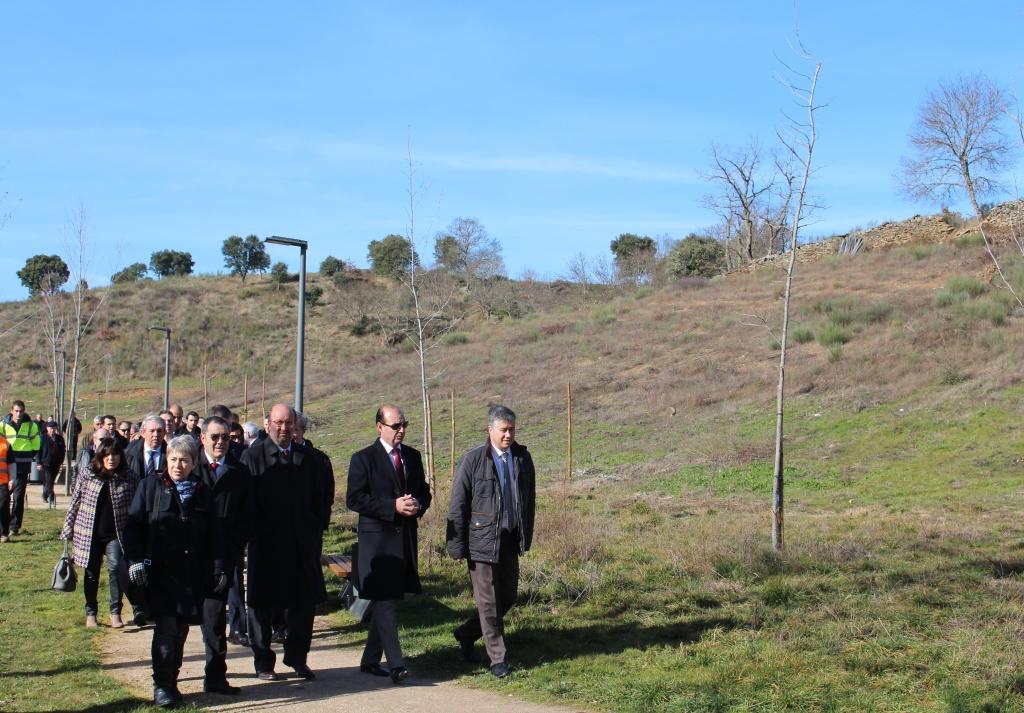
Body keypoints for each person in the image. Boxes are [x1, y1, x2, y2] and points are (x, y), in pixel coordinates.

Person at [124, 435, 225, 708]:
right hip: (160, 573)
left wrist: (217, 568)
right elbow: (133, 527)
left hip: (192, 574)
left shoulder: (203, 492)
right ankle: (162, 686)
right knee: (167, 629)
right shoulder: (149, 487)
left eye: (184, 460)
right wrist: (134, 560)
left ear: (193, 463)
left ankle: (172, 681)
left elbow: (214, 535)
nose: (177, 465)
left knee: (180, 629)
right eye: (172, 459)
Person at [447, 404, 536, 679]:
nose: (508, 435)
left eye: (512, 429)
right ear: (490, 430)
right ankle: (498, 658)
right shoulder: (473, 459)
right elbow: (458, 503)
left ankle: (466, 633)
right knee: (488, 602)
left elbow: (529, 499)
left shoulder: (522, 458)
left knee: (507, 596)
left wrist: (525, 534)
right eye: (503, 430)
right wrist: (456, 545)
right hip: (481, 540)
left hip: (509, 538)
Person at [240, 403, 326, 681]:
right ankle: (263, 661)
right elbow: (246, 502)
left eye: (288, 423)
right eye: (278, 422)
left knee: (304, 605)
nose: (283, 428)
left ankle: (297, 657)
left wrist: (313, 530)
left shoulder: (309, 459)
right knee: (262, 606)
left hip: (302, 545)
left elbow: (321, 499)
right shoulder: (252, 457)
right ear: (268, 425)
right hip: (265, 545)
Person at [346, 404, 430, 684]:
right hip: (377, 544)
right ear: (380, 427)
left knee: (388, 599)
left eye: (404, 424)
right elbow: (354, 499)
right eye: (396, 426)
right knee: (384, 602)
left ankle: (370, 660)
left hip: (404, 539)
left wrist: (418, 504)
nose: (401, 430)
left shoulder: (413, 456)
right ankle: (396, 664)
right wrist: (391, 506)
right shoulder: (363, 459)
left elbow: (424, 491)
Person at [60, 438, 143, 628]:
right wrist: (67, 528)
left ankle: (115, 611)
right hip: (89, 533)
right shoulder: (88, 474)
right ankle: (91, 613)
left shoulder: (129, 476)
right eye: (107, 454)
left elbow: (137, 506)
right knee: (91, 573)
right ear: (100, 456)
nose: (111, 458)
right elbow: (76, 501)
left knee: (115, 568)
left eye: (115, 454)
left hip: (115, 533)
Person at [195, 416, 250, 693]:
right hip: (190, 554)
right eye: (215, 437)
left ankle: (215, 677)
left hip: (223, 555)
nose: (220, 442)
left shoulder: (239, 472)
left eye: (225, 437)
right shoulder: (189, 467)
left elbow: (247, 514)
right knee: (179, 619)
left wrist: (234, 544)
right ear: (202, 437)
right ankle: (168, 679)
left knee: (216, 617)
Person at [1, 400, 42, 536]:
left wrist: (29, 456)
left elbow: (36, 444)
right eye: (16, 411)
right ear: (11, 411)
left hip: (23, 466)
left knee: (18, 498)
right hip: (6, 466)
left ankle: (14, 527)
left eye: (21, 411)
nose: (19, 414)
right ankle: (4, 527)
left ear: (24, 411)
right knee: (5, 498)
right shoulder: (3, 425)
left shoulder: (31, 426)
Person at [126, 416, 167, 481]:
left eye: (159, 431)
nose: (156, 434)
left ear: (164, 433)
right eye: (152, 431)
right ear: (143, 433)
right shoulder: (130, 453)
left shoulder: (171, 454)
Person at [40, 420, 66, 508]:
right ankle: (52, 497)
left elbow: (63, 450)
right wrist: (38, 463)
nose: (52, 430)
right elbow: (39, 451)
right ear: (47, 428)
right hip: (46, 463)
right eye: (51, 428)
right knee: (49, 480)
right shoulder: (43, 437)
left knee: (50, 482)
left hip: (56, 463)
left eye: (54, 428)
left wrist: (62, 461)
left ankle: (44, 494)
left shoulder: (59, 438)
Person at [0, 431, 12, 542]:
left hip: (2, 481)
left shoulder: (5, 444)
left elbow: (11, 463)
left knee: (3, 505)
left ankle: (4, 533)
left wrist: (12, 479)